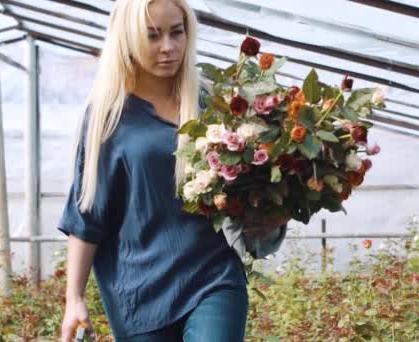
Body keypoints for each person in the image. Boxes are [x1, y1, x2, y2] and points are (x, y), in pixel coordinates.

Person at [58, 0, 288, 341]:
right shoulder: (108, 117)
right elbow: (88, 212)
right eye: (152, 36)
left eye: (177, 32)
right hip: (138, 292)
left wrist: (274, 210)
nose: (168, 47)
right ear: (128, 38)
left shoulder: (211, 103)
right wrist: (73, 298)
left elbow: (249, 184)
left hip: (213, 275)